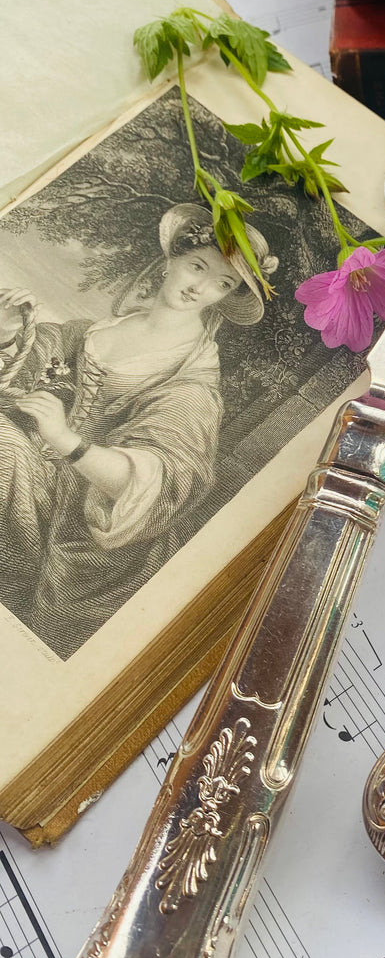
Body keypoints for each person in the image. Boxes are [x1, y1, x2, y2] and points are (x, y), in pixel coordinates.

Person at [0, 203, 278, 659]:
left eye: (221, 283)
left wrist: (68, 442)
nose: (200, 287)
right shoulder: (101, 329)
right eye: (197, 266)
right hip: (41, 477)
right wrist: (10, 331)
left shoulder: (191, 381)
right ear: (173, 258)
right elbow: (40, 361)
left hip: (89, 519)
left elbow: (165, 475)